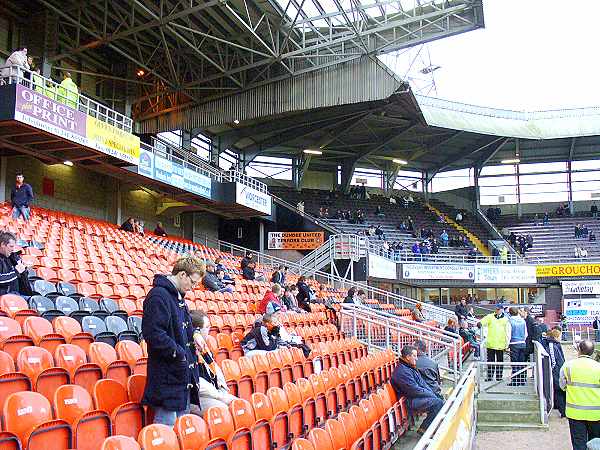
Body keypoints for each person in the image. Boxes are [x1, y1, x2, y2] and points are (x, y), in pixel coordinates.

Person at [141, 257, 205, 426]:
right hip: (167, 375)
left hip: (179, 375)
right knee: (166, 428)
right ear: (183, 274)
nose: (193, 287)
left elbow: (185, 323)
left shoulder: (177, 296)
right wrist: (180, 353)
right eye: (193, 282)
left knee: (180, 429)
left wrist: (195, 334)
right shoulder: (158, 296)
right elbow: (153, 333)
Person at [189, 311, 237, 415]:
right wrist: (219, 395)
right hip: (196, 397)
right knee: (222, 410)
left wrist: (222, 389)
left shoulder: (205, 348)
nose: (209, 330)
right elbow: (197, 382)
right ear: (197, 330)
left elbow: (215, 369)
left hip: (213, 392)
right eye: (206, 327)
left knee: (238, 404)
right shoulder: (190, 350)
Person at [391, 345, 444, 435]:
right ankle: (424, 428)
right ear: (408, 357)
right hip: (409, 401)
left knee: (439, 398)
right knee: (438, 403)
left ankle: (431, 427)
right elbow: (414, 390)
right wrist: (431, 395)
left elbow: (422, 383)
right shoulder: (402, 371)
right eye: (414, 356)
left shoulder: (409, 367)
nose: (417, 359)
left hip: (415, 397)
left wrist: (432, 394)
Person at [560, 340, 600, 450]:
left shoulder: (568, 366)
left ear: (579, 350)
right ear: (592, 352)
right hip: (596, 413)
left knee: (578, 443)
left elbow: (562, 386)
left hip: (575, 413)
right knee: (595, 444)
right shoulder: (598, 367)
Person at [480, 304, 511, 381]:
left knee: (500, 362)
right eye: (496, 309)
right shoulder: (490, 316)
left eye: (498, 309)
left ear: (501, 310)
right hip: (491, 344)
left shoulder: (506, 319)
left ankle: (499, 377)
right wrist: (480, 323)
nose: (496, 311)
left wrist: (507, 343)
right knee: (490, 361)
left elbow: (508, 332)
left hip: (500, 344)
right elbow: (483, 320)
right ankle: (490, 376)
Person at [0, 232, 32, 296]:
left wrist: (24, 268)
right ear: (2, 244)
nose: (13, 249)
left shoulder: (12, 256)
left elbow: (22, 275)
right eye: (11, 246)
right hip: (6, 297)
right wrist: (17, 272)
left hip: (18, 293)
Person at [545, 327, 566, 418]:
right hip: (556, 372)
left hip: (559, 371)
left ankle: (561, 408)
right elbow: (553, 361)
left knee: (560, 391)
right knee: (558, 390)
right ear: (556, 336)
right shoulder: (551, 345)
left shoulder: (555, 344)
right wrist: (553, 371)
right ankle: (563, 411)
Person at [508, 307, 528, 386]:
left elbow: (508, 334)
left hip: (514, 344)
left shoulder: (509, 321)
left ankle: (515, 381)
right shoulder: (523, 321)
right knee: (522, 362)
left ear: (510, 313)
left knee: (514, 363)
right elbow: (526, 334)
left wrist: (507, 344)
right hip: (522, 343)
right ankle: (522, 380)